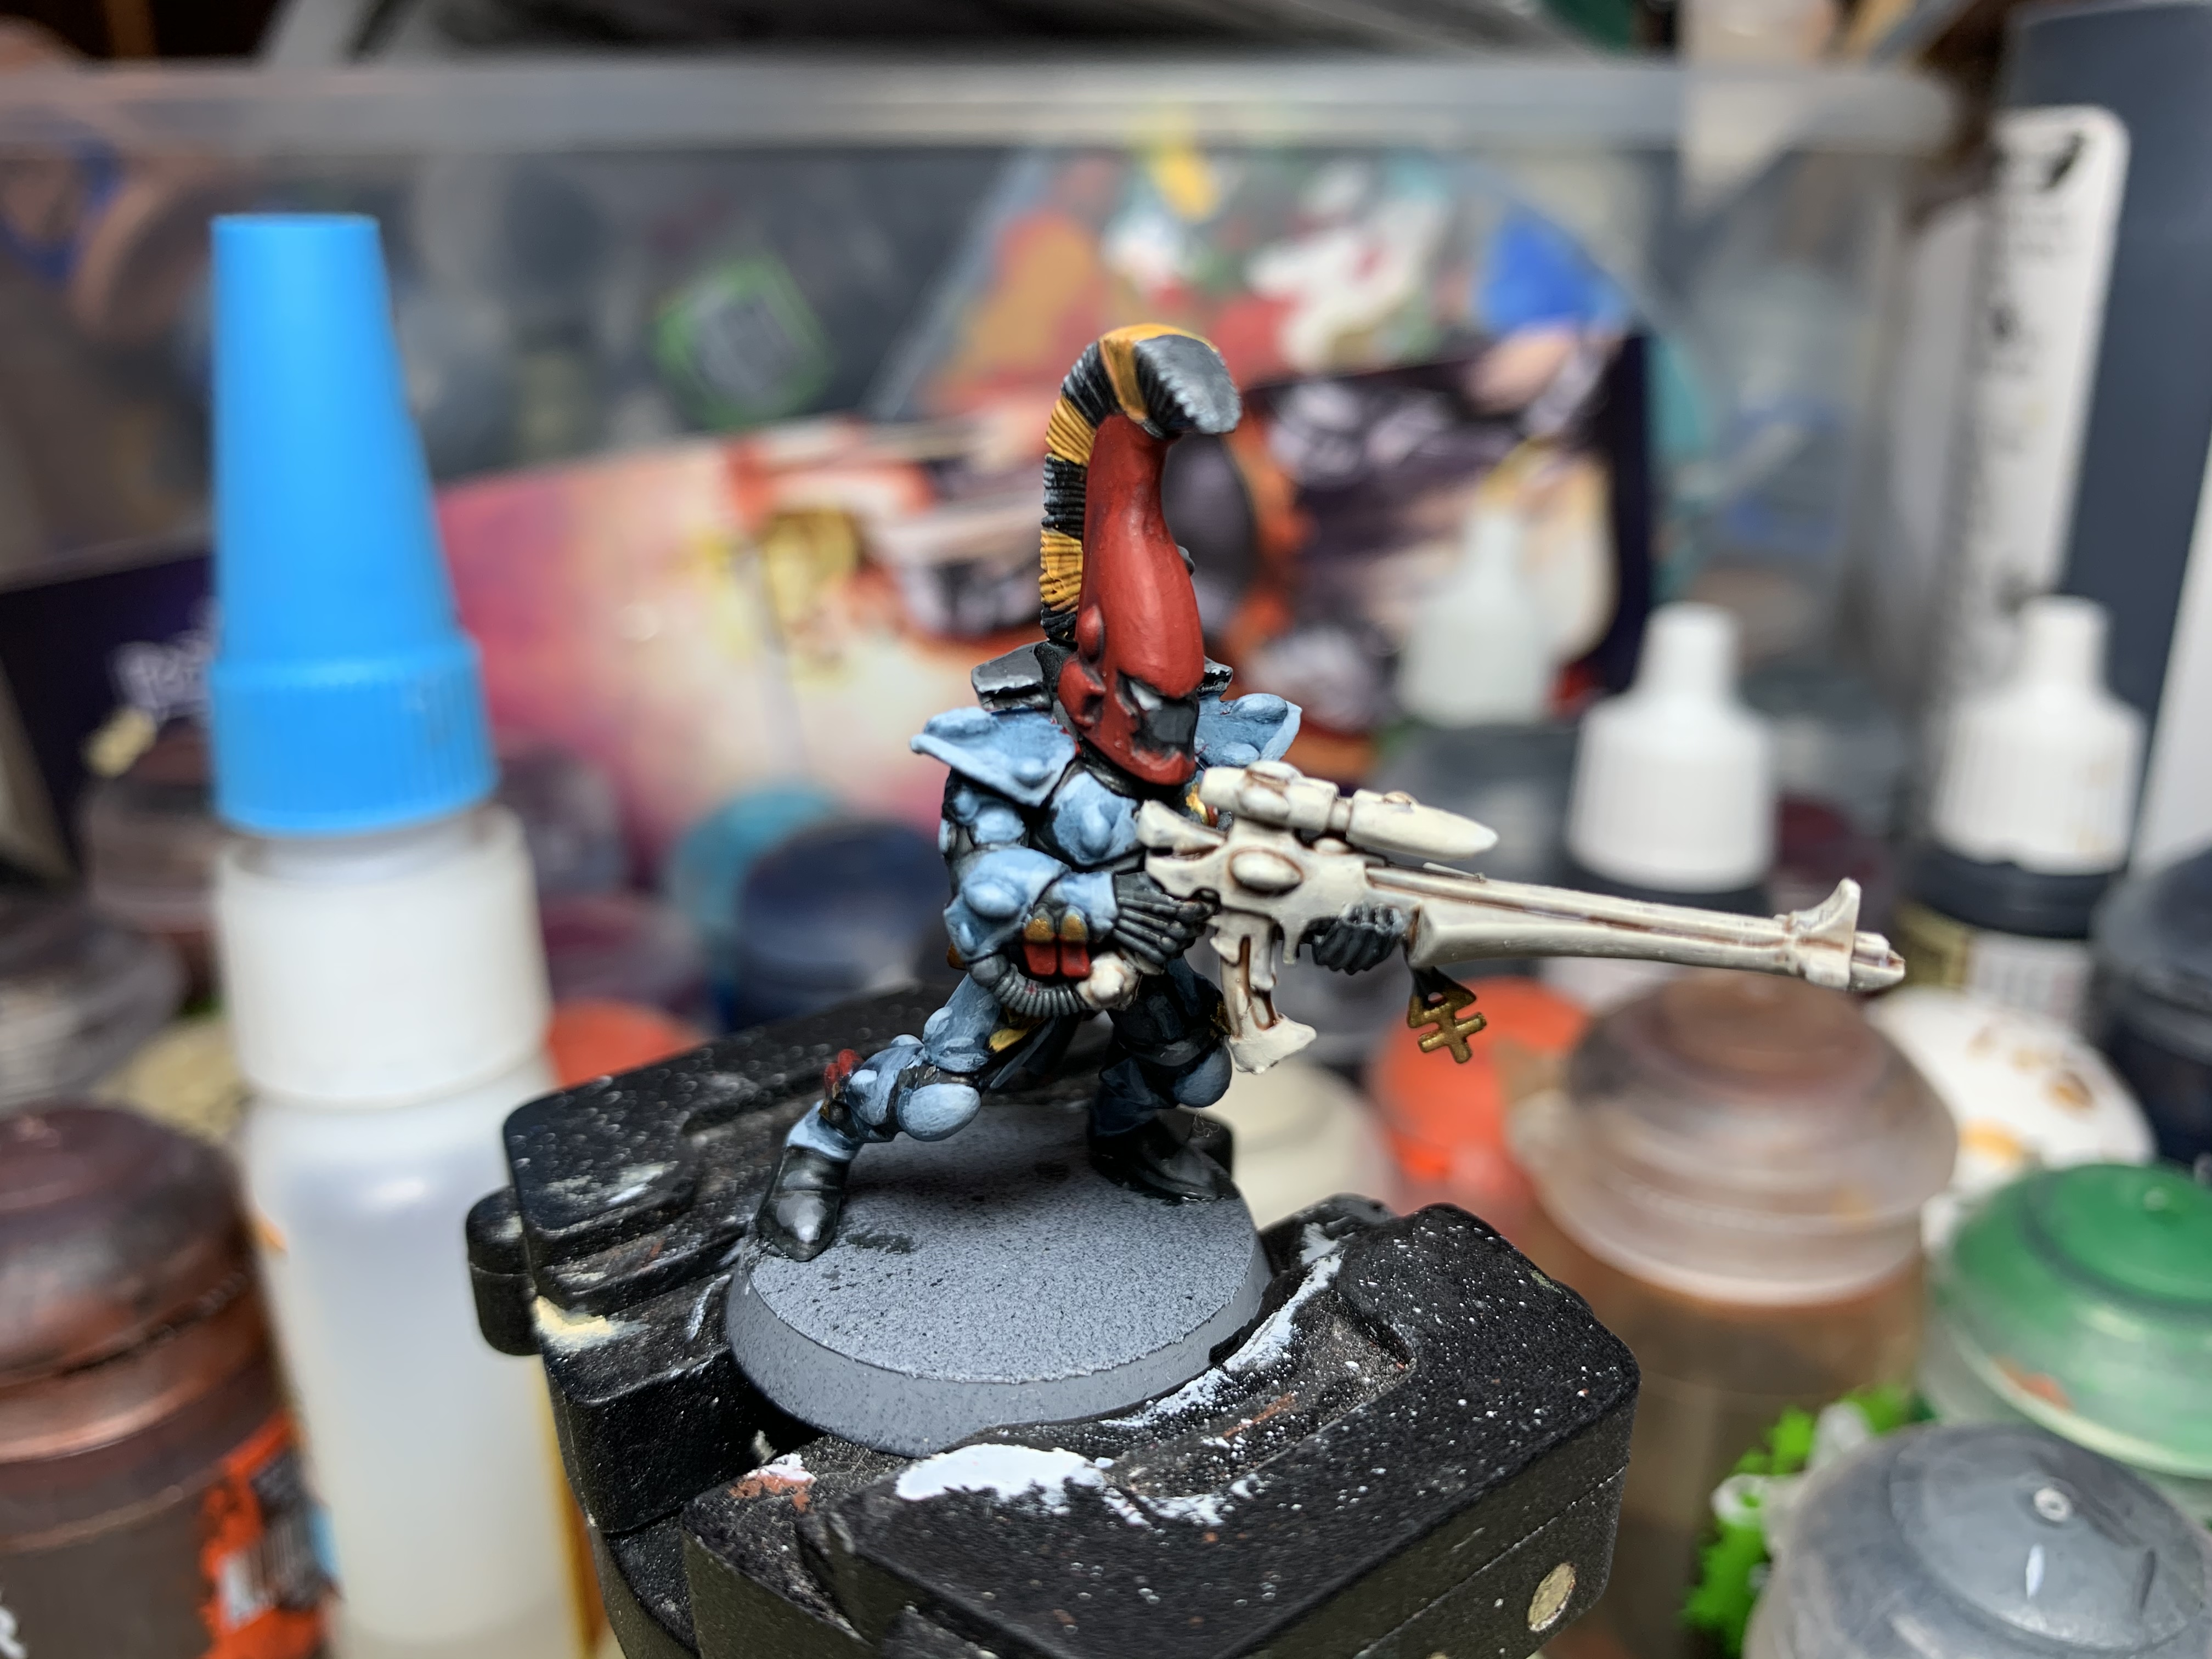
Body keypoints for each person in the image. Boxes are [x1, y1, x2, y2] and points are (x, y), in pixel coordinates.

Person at [753, 326, 1404, 1260]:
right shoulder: (1013, 760)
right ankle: (822, 1143)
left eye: (1182, 712)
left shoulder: (1213, 748)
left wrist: (1343, 915)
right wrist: (1104, 899)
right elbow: (984, 892)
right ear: (1089, 689)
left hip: (1148, 963)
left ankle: (1122, 1134)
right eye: (1148, 714)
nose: (1171, 745)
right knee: (937, 1101)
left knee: (1194, 1073)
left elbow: (1277, 853)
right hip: (1038, 965)